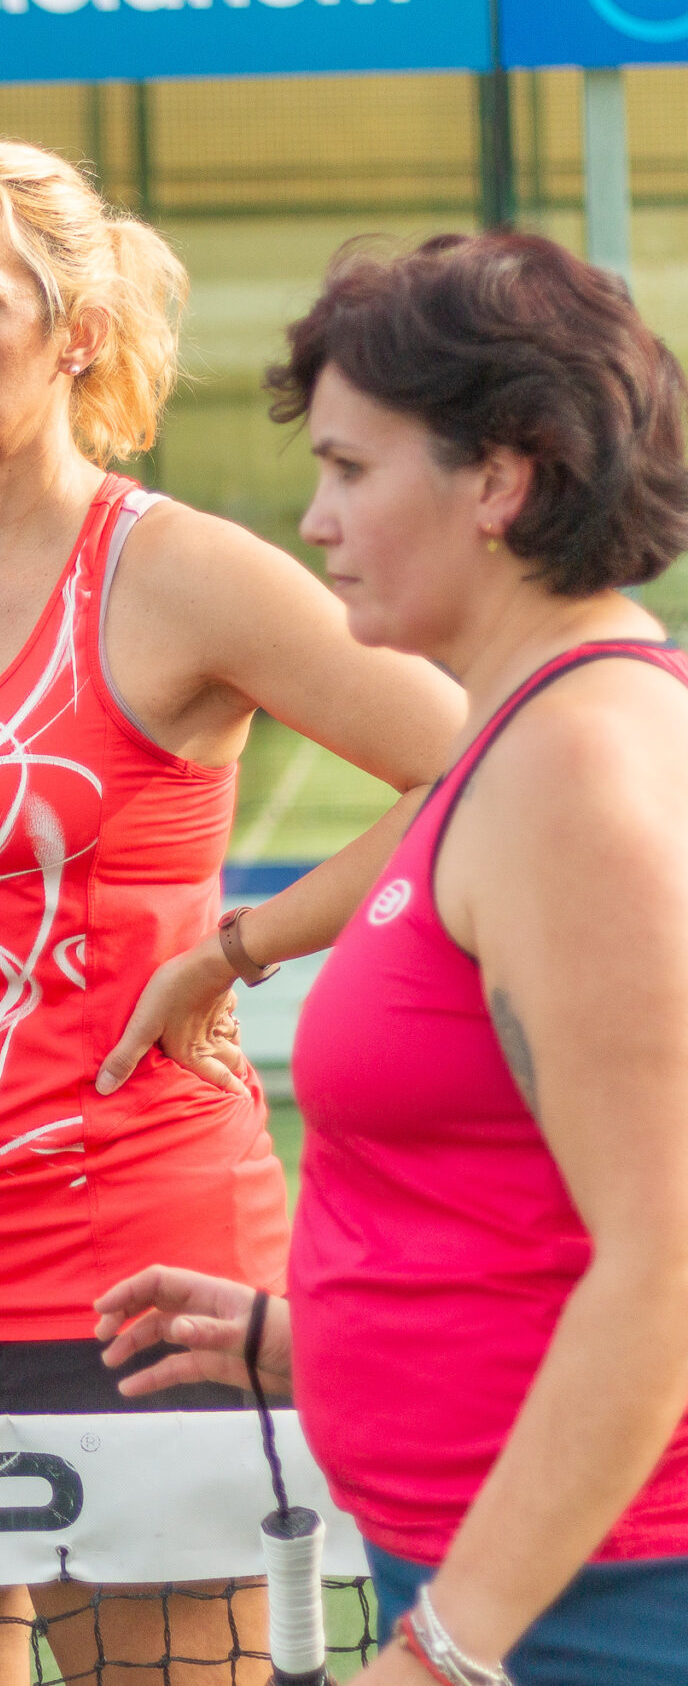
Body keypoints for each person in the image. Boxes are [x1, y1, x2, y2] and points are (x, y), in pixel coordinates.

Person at [0, 139, 464, 1685]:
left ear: (79, 336)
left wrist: (239, 943)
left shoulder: (184, 574)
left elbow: (480, 757)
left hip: (139, 1286)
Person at [96, 231, 688, 1686]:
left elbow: (668, 1262)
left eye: (354, 470)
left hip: (585, 1608)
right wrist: (343, 1341)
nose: (316, 517)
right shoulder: (529, 737)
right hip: (523, 1569)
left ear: (501, 478)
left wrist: (450, 1648)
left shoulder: (574, 777)